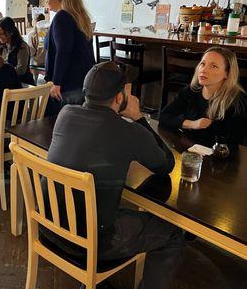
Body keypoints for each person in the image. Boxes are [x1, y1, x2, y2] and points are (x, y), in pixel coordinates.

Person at [42, 61, 184, 289]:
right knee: (173, 234)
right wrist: (138, 118)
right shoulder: (129, 131)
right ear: (119, 98)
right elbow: (166, 164)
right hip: (92, 243)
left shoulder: (65, 114)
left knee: (105, 205)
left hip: (50, 227)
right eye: (128, 88)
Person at [159, 46, 247, 148]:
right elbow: (163, 117)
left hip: (221, 156)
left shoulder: (237, 101)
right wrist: (192, 124)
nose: (204, 70)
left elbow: (232, 140)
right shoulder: (191, 90)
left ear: (227, 74)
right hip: (191, 150)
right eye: (203, 64)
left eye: (213, 66)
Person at [44, 0, 95, 109]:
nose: (47, 1)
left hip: (66, 85)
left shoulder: (62, 17)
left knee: (55, 126)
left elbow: (63, 51)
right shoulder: (81, 16)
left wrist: (56, 82)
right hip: (82, 82)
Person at [0, 17, 35, 85]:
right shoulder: (1, 46)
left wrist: (2, 71)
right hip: (8, 80)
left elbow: (21, 70)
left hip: (23, 82)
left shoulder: (22, 46)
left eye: (2, 34)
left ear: (11, 32)